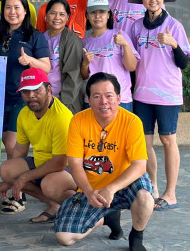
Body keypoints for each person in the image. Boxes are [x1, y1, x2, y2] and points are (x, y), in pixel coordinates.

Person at [55, 73, 153, 251]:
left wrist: (111, 188)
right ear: (89, 100)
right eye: (97, 96)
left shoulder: (132, 122)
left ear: (119, 98)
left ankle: (137, 235)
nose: (104, 102)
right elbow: (75, 164)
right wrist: (88, 192)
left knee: (145, 197)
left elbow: (140, 166)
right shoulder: (78, 121)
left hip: (124, 183)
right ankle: (108, 217)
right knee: (64, 237)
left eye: (109, 96)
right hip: (93, 187)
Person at [128, 0, 190, 212]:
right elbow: (132, 61)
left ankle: (170, 193)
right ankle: (153, 187)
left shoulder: (174, 26)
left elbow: (184, 63)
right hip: (142, 94)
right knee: (144, 144)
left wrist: (174, 44)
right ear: (142, 0)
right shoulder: (136, 26)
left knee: (167, 140)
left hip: (167, 94)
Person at [0, 68, 76, 223]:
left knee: (50, 185)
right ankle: (53, 205)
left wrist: (23, 178)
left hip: (68, 170)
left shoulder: (61, 117)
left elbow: (59, 163)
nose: (31, 95)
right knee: (6, 170)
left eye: (36, 90)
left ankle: (85, 208)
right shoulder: (24, 113)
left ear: (49, 89)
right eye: (26, 91)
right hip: (41, 163)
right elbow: (20, 149)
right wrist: (9, 181)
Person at [0, 0, 50, 157]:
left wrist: (29, 60)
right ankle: (15, 172)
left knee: (13, 145)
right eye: (8, 7)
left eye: (17, 7)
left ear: (25, 10)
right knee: (4, 141)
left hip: (21, 98)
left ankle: (19, 172)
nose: (12, 12)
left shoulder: (34, 36)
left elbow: (46, 67)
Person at [81, 0, 139, 112]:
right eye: (93, 12)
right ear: (87, 16)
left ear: (108, 15)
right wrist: (85, 63)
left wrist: (125, 45)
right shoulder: (84, 42)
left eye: (102, 12)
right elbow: (84, 76)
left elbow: (132, 67)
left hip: (119, 99)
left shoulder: (119, 35)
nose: (97, 16)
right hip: (94, 100)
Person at [43, 0, 84, 112]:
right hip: (43, 101)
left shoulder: (72, 40)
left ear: (68, 17)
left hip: (63, 102)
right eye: (53, 13)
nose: (57, 18)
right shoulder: (41, 37)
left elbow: (73, 76)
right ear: (46, 15)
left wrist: (64, 105)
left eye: (62, 14)